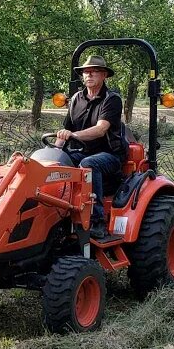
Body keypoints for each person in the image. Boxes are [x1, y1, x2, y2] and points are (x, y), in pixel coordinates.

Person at [56, 55, 127, 238]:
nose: (89, 75)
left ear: (104, 75)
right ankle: (57, 212)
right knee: (57, 163)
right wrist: (54, 153)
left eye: (93, 71)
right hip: (82, 151)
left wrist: (73, 135)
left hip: (110, 155)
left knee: (89, 164)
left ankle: (96, 220)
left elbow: (101, 129)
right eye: (86, 72)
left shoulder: (112, 99)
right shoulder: (75, 100)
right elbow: (65, 130)